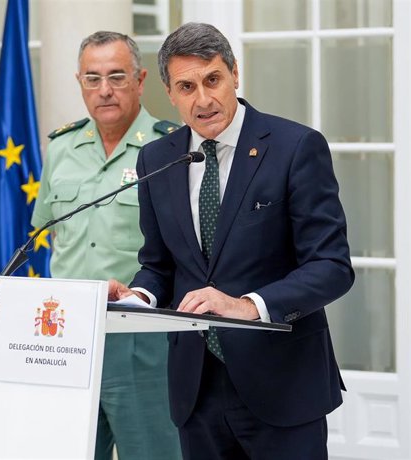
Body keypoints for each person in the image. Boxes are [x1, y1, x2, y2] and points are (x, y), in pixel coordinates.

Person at [108, 23, 355, 460]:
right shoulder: (158, 158)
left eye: (212, 80)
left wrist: (247, 306)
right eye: (187, 86)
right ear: (169, 92)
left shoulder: (295, 147)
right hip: (196, 391)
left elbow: (332, 267)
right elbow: (159, 264)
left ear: (235, 74)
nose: (203, 99)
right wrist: (139, 296)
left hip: (282, 386)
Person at [32, 31, 182, 460]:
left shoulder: (169, 146)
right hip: (66, 336)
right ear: (79, 82)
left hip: (139, 336)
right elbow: (50, 230)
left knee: (153, 452)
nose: (104, 90)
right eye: (92, 79)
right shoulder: (61, 147)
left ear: (139, 80)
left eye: (116, 77)